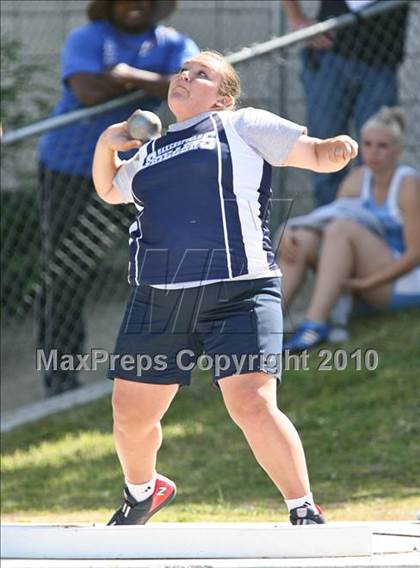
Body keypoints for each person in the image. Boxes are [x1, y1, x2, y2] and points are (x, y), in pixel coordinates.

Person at [92, 50, 358, 525]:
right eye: (182, 72)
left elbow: (314, 153)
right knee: (130, 415)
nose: (185, 77)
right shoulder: (150, 149)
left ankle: (303, 508)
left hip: (240, 289)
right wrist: (107, 145)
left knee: (252, 403)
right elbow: (111, 190)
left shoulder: (242, 125)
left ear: (222, 98)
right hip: (160, 297)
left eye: (201, 75)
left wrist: (334, 148)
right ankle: (142, 491)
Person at [36, 0, 199, 396]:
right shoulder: (87, 38)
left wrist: (126, 75)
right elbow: (88, 92)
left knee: (167, 261)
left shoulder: (174, 42)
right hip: (70, 170)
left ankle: (167, 359)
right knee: (68, 271)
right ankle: (62, 374)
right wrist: (156, 82)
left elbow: (191, 92)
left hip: (138, 173)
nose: (136, 4)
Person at [279, 107, 420, 353]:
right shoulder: (356, 179)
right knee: (300, 239)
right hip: (357, 280)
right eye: (367, 144)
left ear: (397, 150)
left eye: (383, 145)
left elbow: (415, 253)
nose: (373, 152)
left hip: (398, 282)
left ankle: (315, 324)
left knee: (342, 228)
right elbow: (326, 221)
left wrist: (366, 284)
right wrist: (289, 229)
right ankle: (263, 326)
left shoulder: (408, 184)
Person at [282, 0, 409, 207]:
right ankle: (329, 227)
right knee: (325, 157)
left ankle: (368, 229)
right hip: (331, 57)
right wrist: (297, 19)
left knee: (376, 160)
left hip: (383, 62)